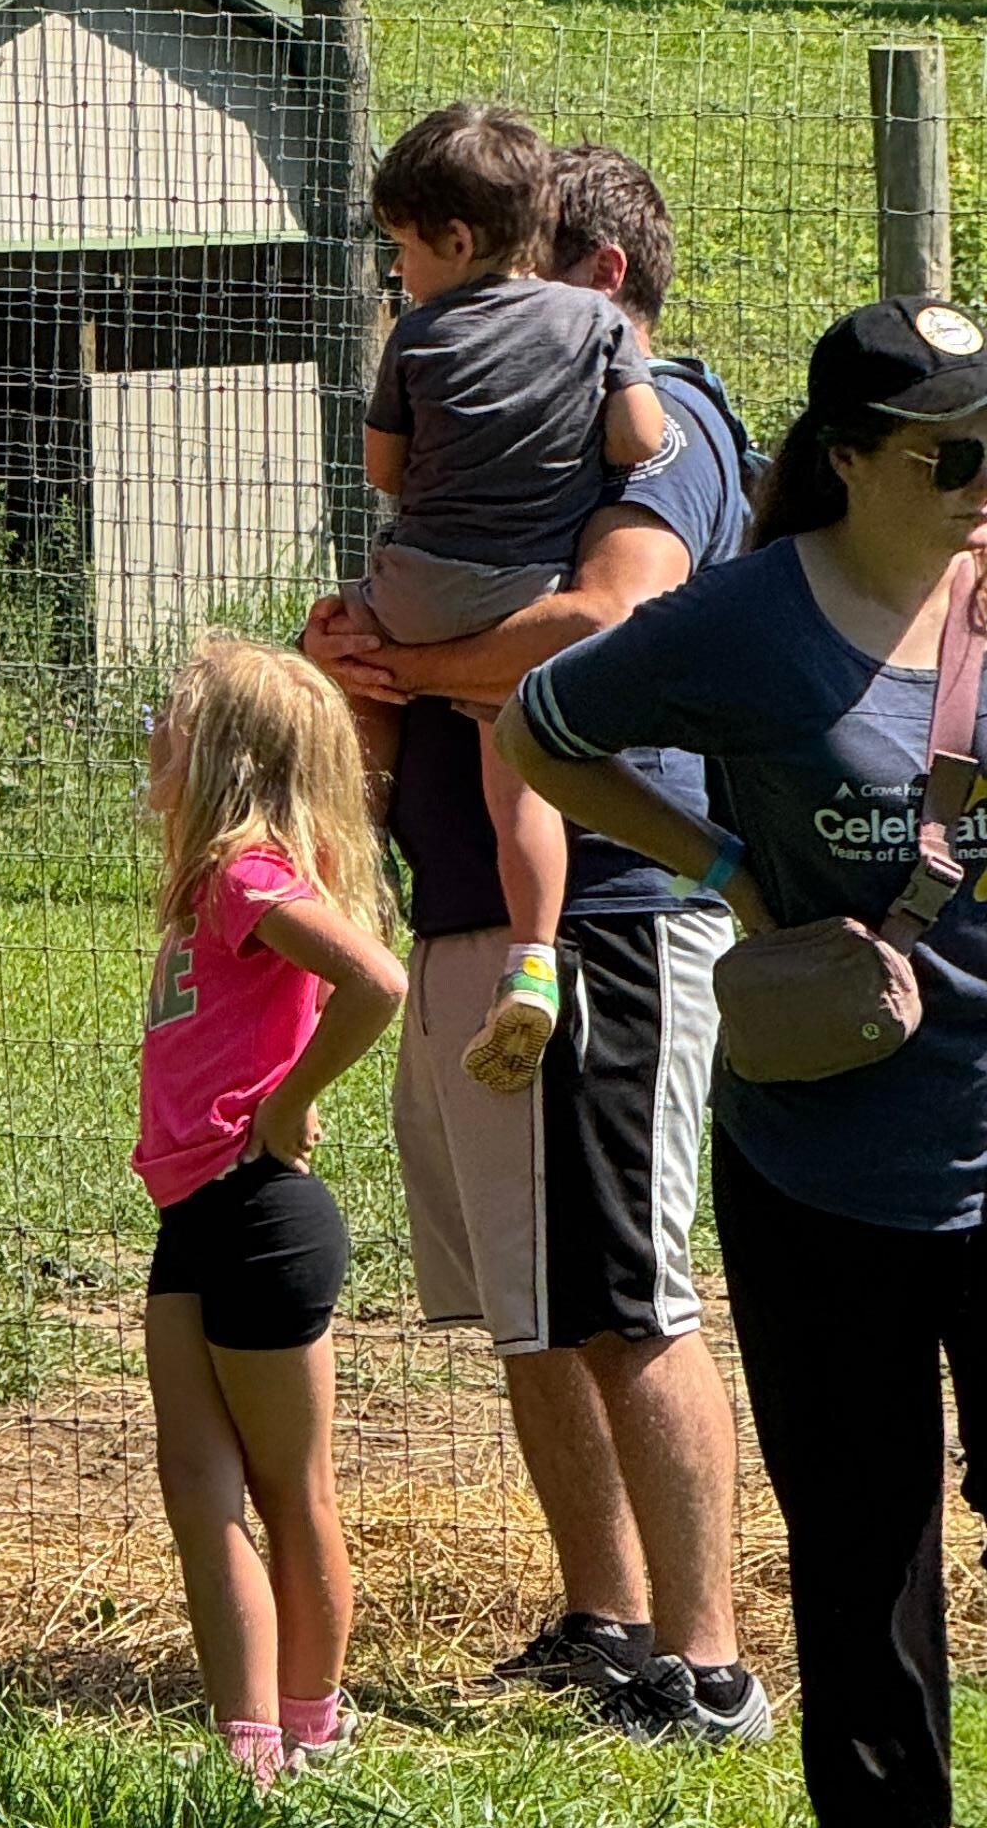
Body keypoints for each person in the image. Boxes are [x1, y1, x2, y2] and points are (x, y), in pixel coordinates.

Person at [505, 296, 987, 1828]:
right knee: (861, 1570)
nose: (985, 480)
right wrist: (719, 867)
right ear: (851, 460)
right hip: (821, 1170)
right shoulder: (751, 618)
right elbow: (537, 730)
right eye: (953, 455)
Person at [303, 142, 762, 1743]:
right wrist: (355, 656)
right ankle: (609, 1622)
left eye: (513, 281)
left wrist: (417, 671)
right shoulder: (508, 430)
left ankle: (708, 1671)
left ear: (599, 287)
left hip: (612, 923)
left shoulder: (672, 423)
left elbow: (613, 625)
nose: (479, 323)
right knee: (535, 1298)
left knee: (629, 1296)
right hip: (470, 910)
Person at [135, 636, 405, 1792]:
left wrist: (292, 1101)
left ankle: (312, 1726)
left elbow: (377, 982)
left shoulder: (250, 875)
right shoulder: (208, 883)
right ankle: (247, 1755)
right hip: (193, 1210)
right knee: (196, 1489)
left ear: (227, 756)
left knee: (292, 1493)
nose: (153, 730)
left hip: (260, 1212)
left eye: (173, 714)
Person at [358, 104, 665, 1092]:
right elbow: (638, 440)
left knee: (352, 663)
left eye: (403, 247)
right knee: (515, 781)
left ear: (452, 239)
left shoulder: (414, 333)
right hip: (524, 598)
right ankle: (533, 962)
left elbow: (386, 473)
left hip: (415, 588)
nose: (399, 269)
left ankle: (355, 880)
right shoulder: (598, 325)